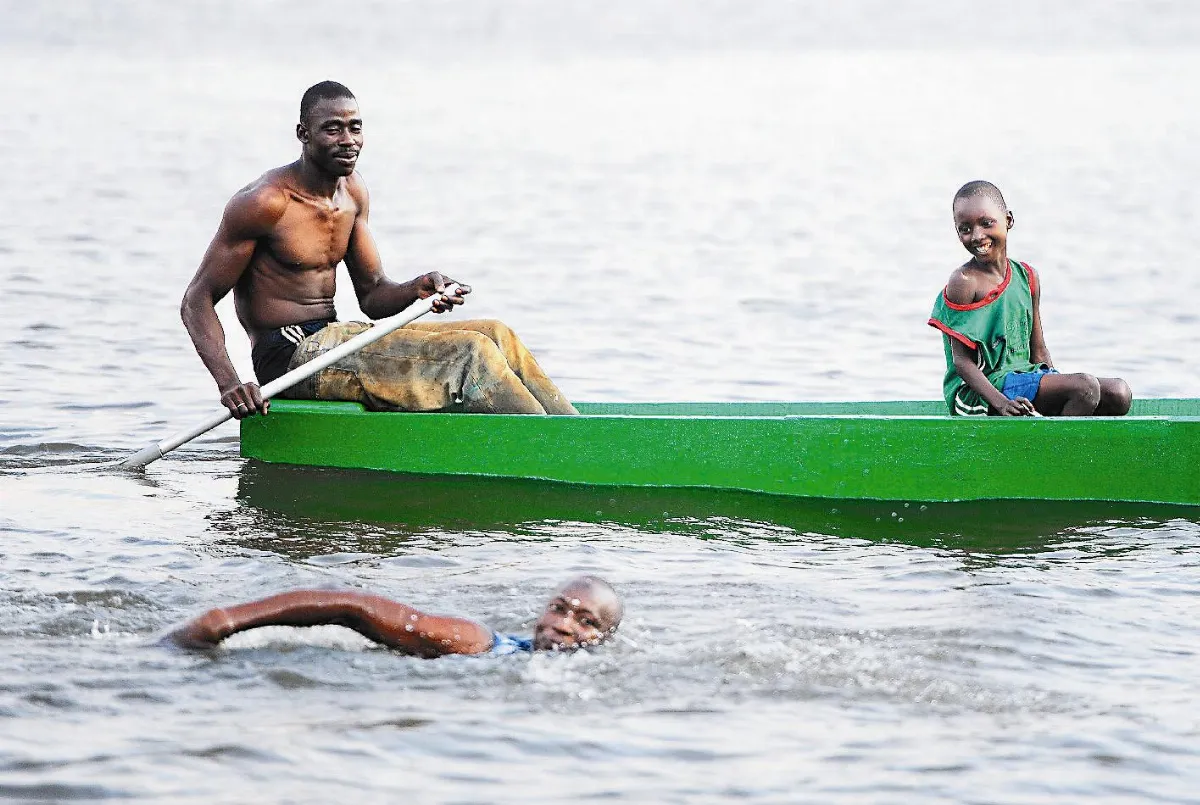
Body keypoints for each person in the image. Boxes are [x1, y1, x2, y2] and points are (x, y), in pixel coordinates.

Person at [181, 80, 577, 420]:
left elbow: (372, 295)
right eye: (332, 129)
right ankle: (551, 450)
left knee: (496, 335)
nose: (348, 140)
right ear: (303, 134)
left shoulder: (352, 192)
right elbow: (196, 300)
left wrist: (416, 289)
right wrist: (230, 384)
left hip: (336, 335)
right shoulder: (265, 202)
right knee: (471, 354)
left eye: (354, 128)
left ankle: (574, 435)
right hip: (289, 356)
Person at [927, 181, 1132, 417]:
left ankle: (1053, 432)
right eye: (965, 229)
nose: (977, 236)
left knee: (1118, 393)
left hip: (1023, 378)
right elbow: (962, 363)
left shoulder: (1027, 276)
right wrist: (1002, 404)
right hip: (981, 393)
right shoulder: (964, 281)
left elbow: (1039, 350)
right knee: (1085, 387)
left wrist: (1057, 384)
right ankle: (1052, 440)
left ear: (1008, 220)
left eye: (986, 223)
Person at [168, 576, 623, 658]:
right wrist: (226, 619)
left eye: (586, 622)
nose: (562, 625)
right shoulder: (477, 642)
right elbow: (351, 605)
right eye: (558, 609)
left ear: (606, 637)